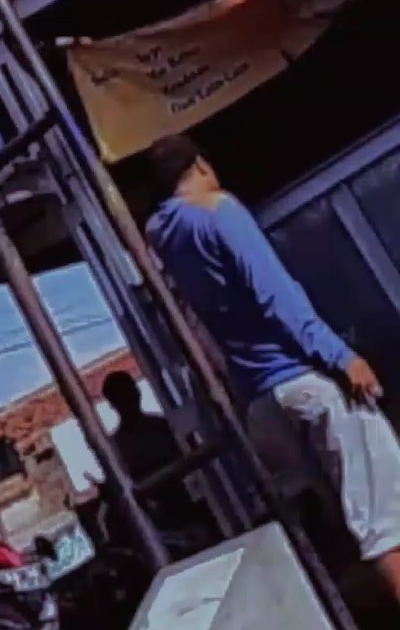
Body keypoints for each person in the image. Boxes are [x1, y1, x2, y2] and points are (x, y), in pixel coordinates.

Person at [144, 133, 400, 604]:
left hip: (261, 404)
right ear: (200, 166)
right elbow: (276, 296)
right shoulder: (218, 210)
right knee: (386, 524)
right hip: (306, 382)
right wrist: (341, 355)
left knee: (335, 530)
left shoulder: (164, 236)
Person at [101, 370, 207, 549]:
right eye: (122, 396)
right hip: (157, 526)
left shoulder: (161, 426)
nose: (130, 398)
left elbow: (186, 463)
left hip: (187, 508)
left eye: (131, 391)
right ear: (114, 404)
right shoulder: (118, 446)